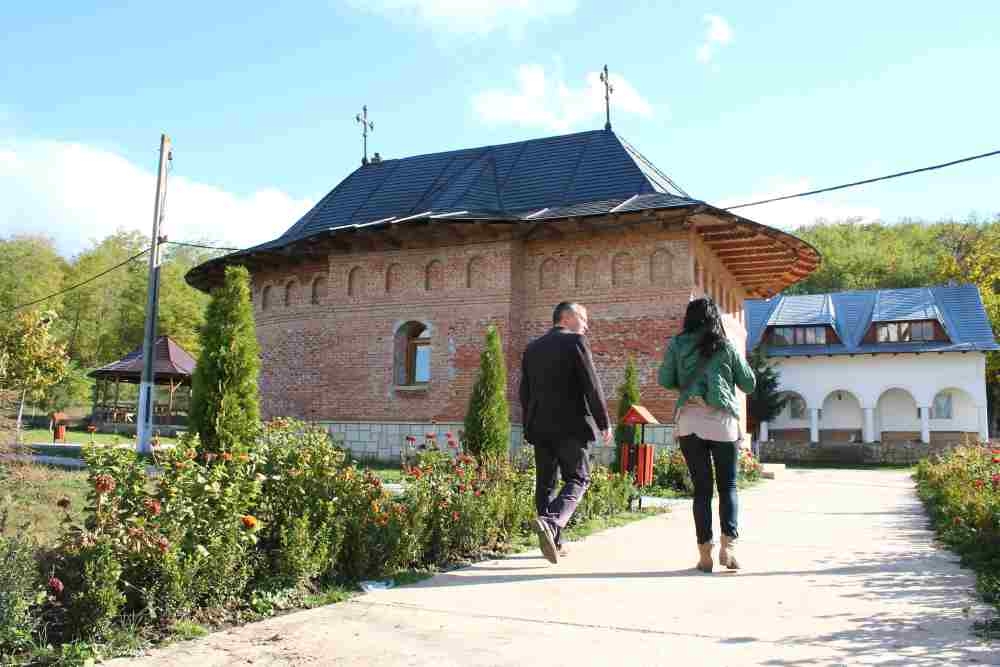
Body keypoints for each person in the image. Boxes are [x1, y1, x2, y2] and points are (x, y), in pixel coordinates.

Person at [659, 297, 755, 573]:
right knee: (728, 487)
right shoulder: (725, 345)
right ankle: (729, 548)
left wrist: (686, 382)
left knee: (702, 490)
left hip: (690, 420)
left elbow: (664, 380)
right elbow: (748, 383)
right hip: (721, 422)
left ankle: (705, 555)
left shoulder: (677, 345)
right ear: (716, 319)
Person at [520, 301, 613, 564]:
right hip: (570, 425)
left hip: (540, 425)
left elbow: (524, 393)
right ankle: (551, 523)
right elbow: (591, 385)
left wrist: (529, 424)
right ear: (567, 317)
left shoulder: (532, 348)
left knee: (546, 484)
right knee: (579, 478)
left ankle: (554, 543)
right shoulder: (575, 342)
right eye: (583, 318)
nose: (586, 324)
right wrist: (604, 422)